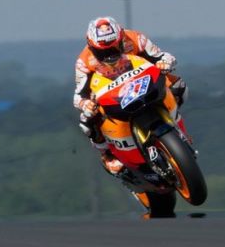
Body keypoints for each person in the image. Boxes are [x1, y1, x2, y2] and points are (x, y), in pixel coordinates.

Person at [73, 16, 188, 174]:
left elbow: (163, 56)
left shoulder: (136, 38)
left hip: (144, 81)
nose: (109, 54)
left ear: (121, 38)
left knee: (179, 85)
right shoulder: (84, 61)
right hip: (110, 93)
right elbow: (78, 96)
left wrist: (165, 62)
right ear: (91, 46)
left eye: (114, 48)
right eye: (102, 52)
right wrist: (86, 104)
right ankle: (107, 155)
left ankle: (175, 124)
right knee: (86, 120)